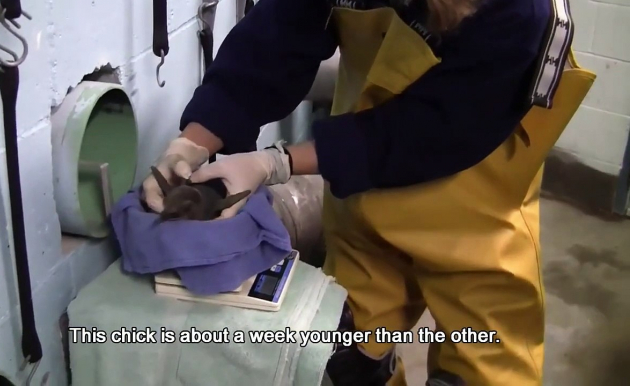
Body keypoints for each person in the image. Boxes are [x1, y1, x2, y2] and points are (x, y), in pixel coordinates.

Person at [143, 0, 594, 384]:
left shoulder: (523, 13)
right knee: (343, 356)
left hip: (476, 209)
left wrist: (276, 162)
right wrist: (195, 142)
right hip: (362, 198)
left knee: (484, 366)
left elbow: (429, 132)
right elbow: (278, 36)